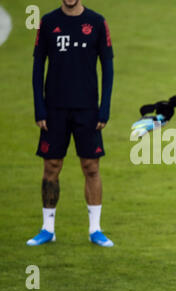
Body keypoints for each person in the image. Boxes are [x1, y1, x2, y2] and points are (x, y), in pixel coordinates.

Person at [27, 0, 114, 247]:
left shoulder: (97, 22)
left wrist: (104, 107)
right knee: (51, 166)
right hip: (54, 109)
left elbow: (107, 66)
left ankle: (95, 230)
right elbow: (37, 66)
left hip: (87, 109)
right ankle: (47, 229)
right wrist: (39, 107)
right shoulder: (48, 22)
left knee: (91, 167)